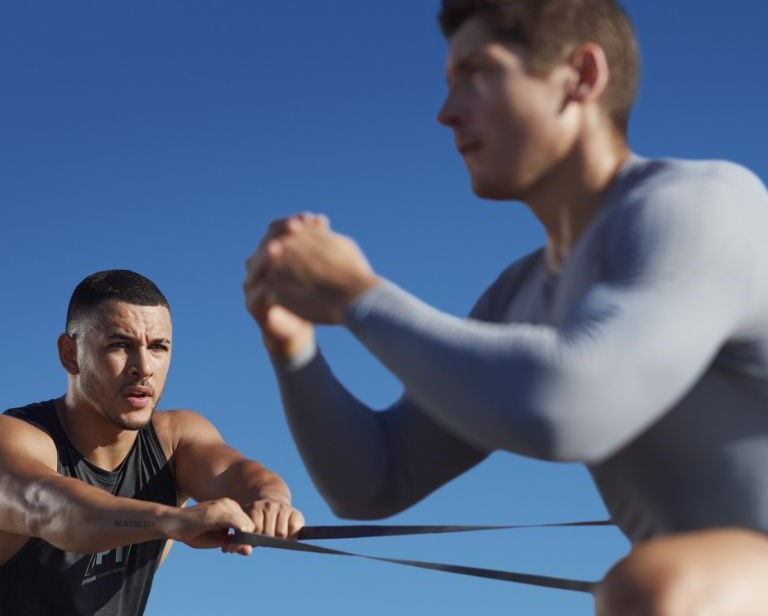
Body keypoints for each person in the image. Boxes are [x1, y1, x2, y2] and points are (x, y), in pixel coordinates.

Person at [244, 0, 768, 614]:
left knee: (656, 588)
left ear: (581, 76)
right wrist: (294, 347)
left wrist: (356, 294)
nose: (446, 112)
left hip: (691, 590)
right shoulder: (521, 293)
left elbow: (569, 404)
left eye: (477, 73)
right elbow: (375, 480)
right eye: (447, 83)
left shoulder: (702, 205)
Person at [0, 269, 304, 615]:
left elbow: (236, 473)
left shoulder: (175, 440)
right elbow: (54, 510)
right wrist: (170, 521)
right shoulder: (17, 437)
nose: (143, 367)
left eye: (158, 347)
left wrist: (271, 502)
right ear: (71, 354)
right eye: (120, 345)